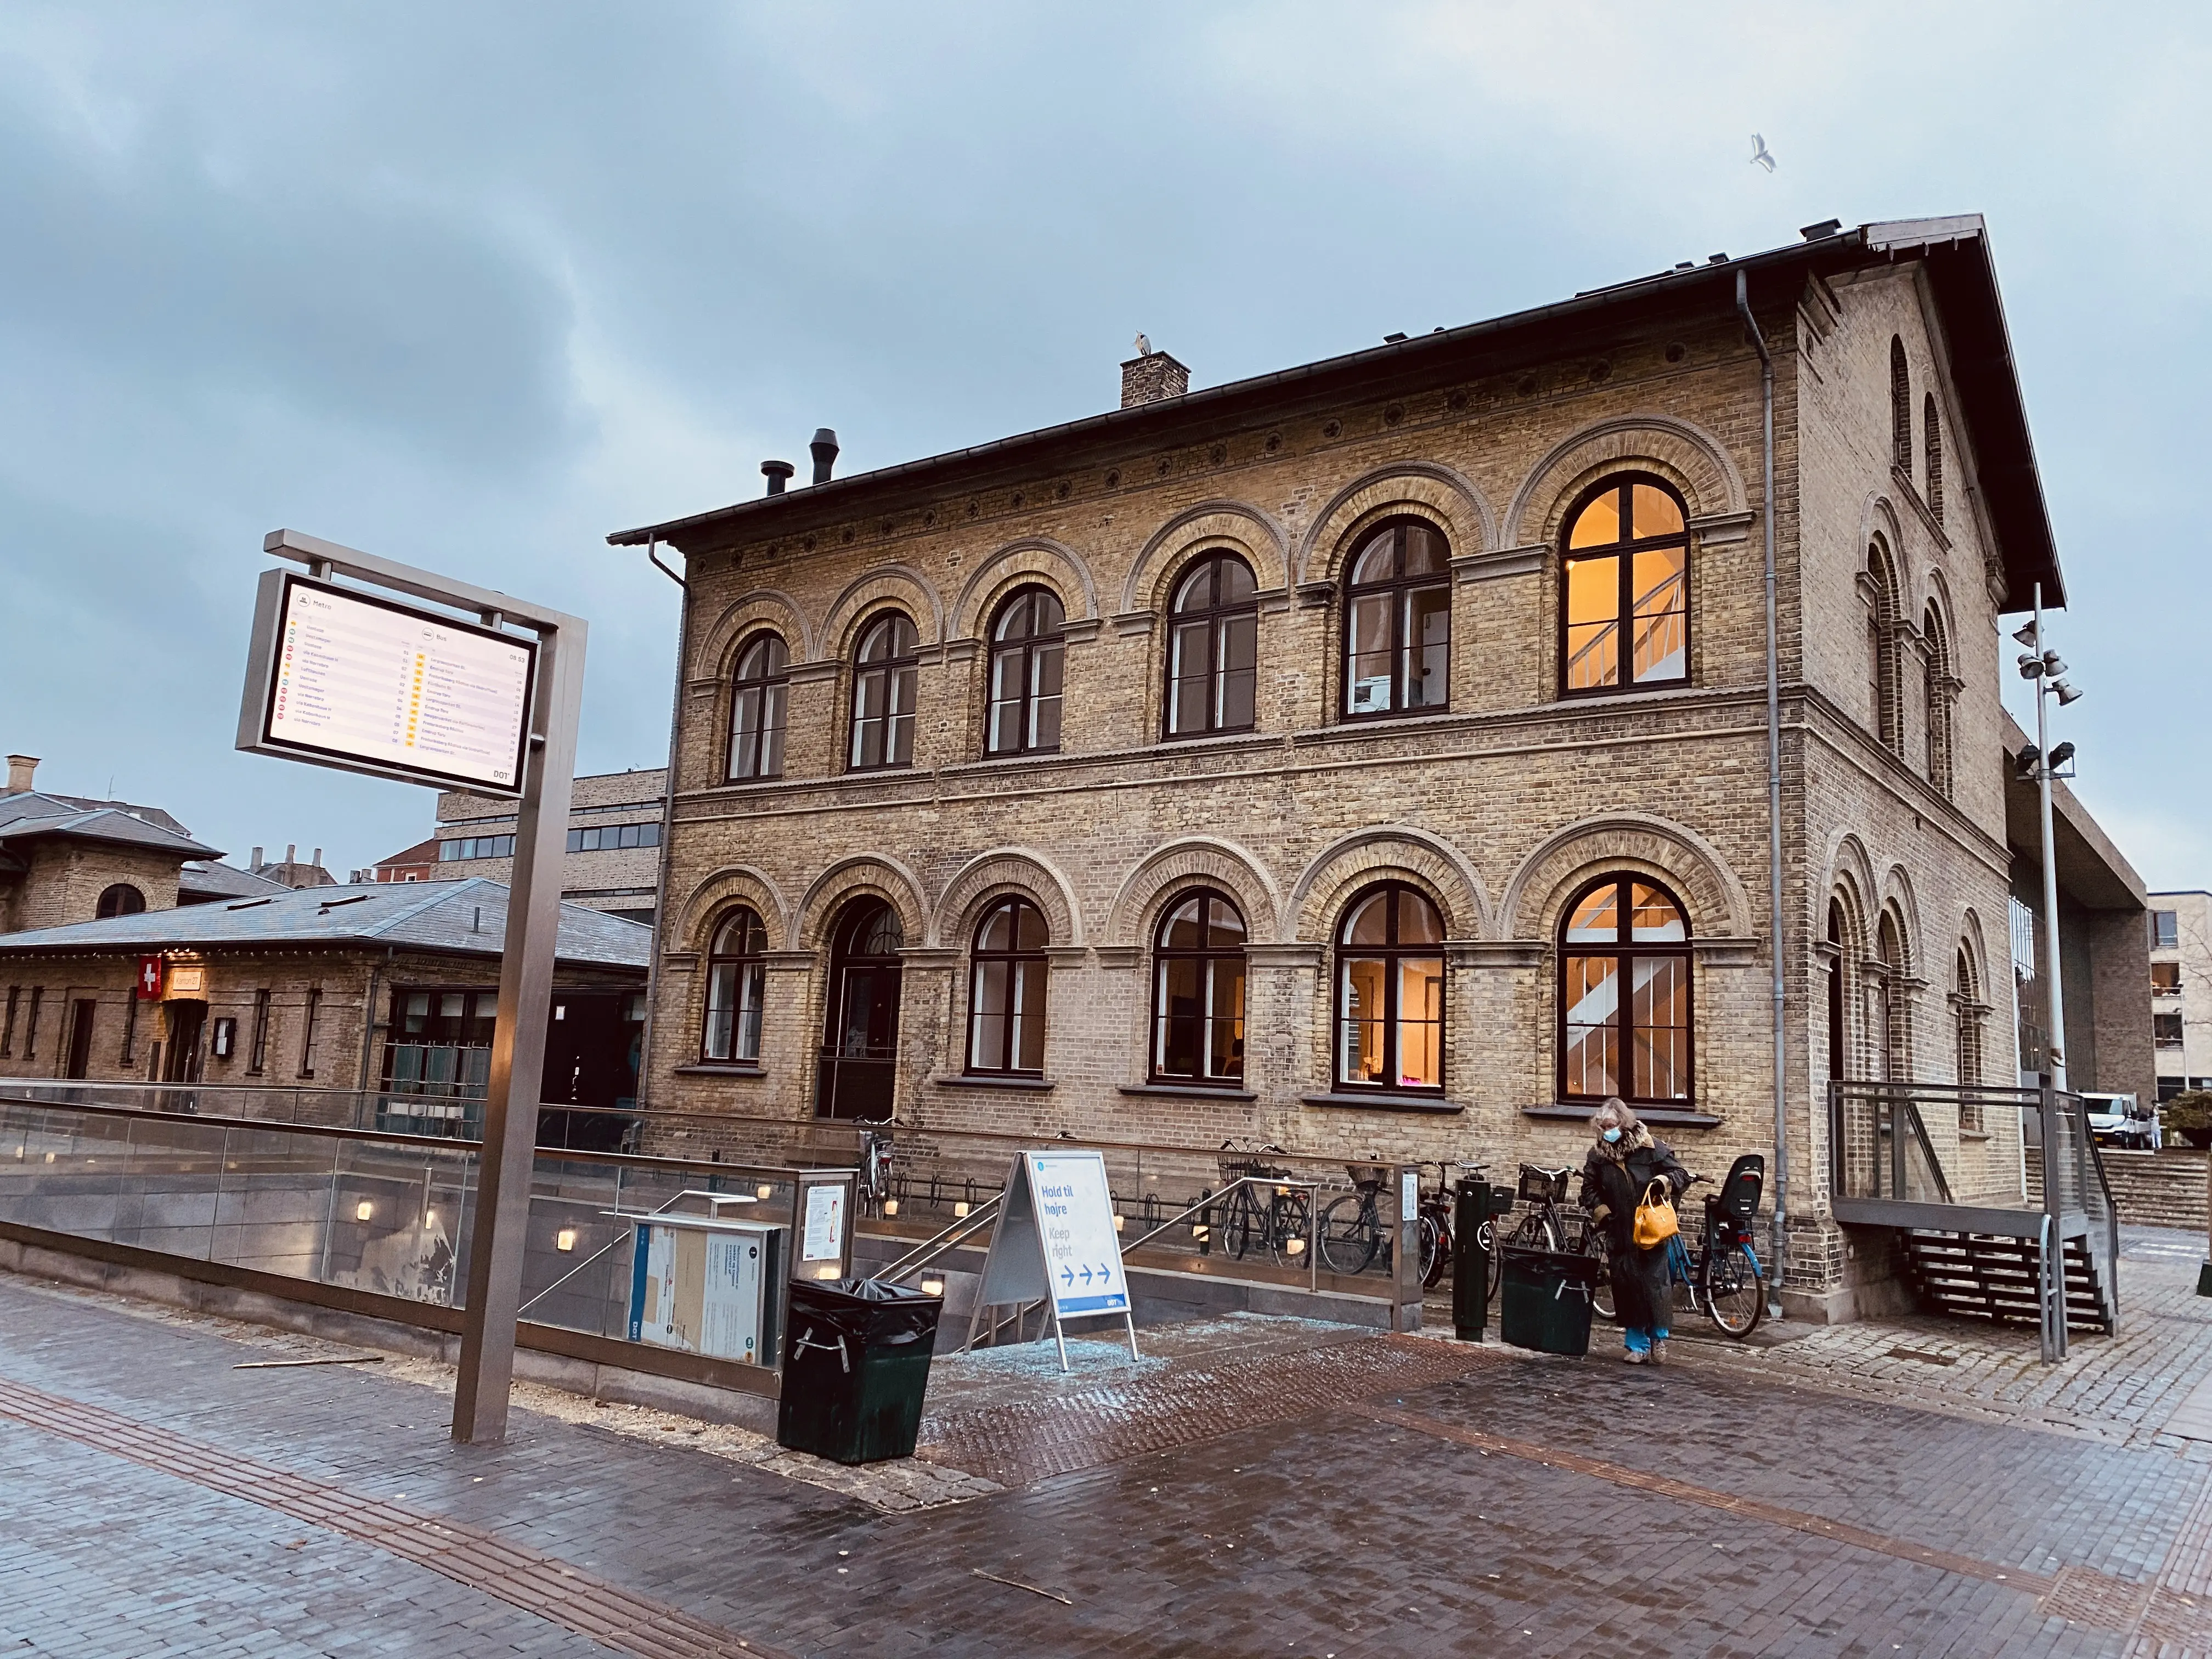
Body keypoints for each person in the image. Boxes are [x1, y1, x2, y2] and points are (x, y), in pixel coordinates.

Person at [1578, 1097, 1691, 1364]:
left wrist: (1663, 1181)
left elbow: (1680, 1175)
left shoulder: (1651, 1148)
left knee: (1656, 1286)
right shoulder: (1598, 1156)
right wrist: (1604, 1215)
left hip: (1652, 1230)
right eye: (1603, 1126)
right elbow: (1589, 1190)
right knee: (1627, 1287)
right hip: (1620, 1231)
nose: (1608, 1131)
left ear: (1624, 1123)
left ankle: (1658, 1340)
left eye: (1612, 1125)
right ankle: (1636, 1345)